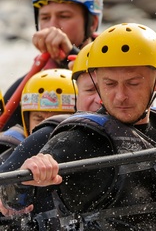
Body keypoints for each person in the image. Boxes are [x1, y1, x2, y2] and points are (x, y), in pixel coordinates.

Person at [0, 23, 156, 231]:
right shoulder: (78, 139)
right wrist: (27, 176)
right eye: (109, 84)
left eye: (133, 83)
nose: (120, 96)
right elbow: (8, 199)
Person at [0, 43, 102, 230]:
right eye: (39, 118)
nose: (44, 126)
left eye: (56, 117)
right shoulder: (10, 155)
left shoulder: (86, 145)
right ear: (25, 120)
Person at [2, 0, 103, 131]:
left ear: (93, 23)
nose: (53, 26)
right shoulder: (26, 84)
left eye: (64, 16)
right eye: (45, 17)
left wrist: (70, 54)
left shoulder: (116, 66)